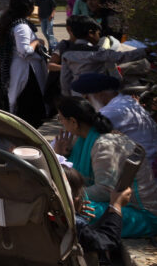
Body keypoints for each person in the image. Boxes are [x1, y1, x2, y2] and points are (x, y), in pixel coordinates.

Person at [53, 95, 157, 238]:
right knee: (67, 208)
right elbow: (72, 177)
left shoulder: (104, 144)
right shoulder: (82, 139)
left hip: (141, 214)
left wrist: (70, 198)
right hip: (119, 204)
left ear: (73, 121)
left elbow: (104, 191)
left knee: (75, 210)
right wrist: (61, 155)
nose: (61, 124)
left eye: (61, 119)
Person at [72, 72, 157, 173]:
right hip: (145, 162)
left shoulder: (112, 111)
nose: (87, 103)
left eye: (87, 98)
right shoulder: (127, 101)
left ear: (100, 95)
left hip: (141, 168)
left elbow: (82, 133)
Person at [0, 0, 48, 122]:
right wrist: (36, 42)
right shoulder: (21, 26)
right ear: (28, 8)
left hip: (19, 69)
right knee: (28, 110)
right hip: (26, 72)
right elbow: (24, 51)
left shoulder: (12, 21)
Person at [64, 167, 136, 266]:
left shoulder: (45, 218)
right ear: (73, 198)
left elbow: (92, 235)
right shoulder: (73, 224)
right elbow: (107, 241)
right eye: (78, 193)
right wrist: (116, 205)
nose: (81, 197)